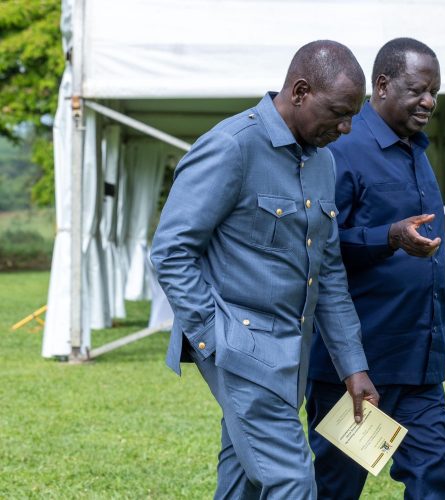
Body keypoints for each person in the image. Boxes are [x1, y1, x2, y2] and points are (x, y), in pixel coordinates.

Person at [150, 40, 379, 499]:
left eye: (354, 114)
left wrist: (353, 366)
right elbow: (171, 251)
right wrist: (215, 336)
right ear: (299, 91)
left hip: (290, 354)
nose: (347, 127)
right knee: (292, 480)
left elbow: (328, 272)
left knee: (241, 481)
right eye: (338, 112)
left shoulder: (323, 161)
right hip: (241, 347)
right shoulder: (232, 146)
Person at [306, 38, 445, 499]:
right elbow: (319, 248)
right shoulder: (343, 148)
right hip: (355, 369)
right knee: (338, 488)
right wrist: (389, 237)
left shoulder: (417, 151)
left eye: (435, 91)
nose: (429, 101)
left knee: (435, 476)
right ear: (383, 85)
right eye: (418, 89)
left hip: (418, 367)